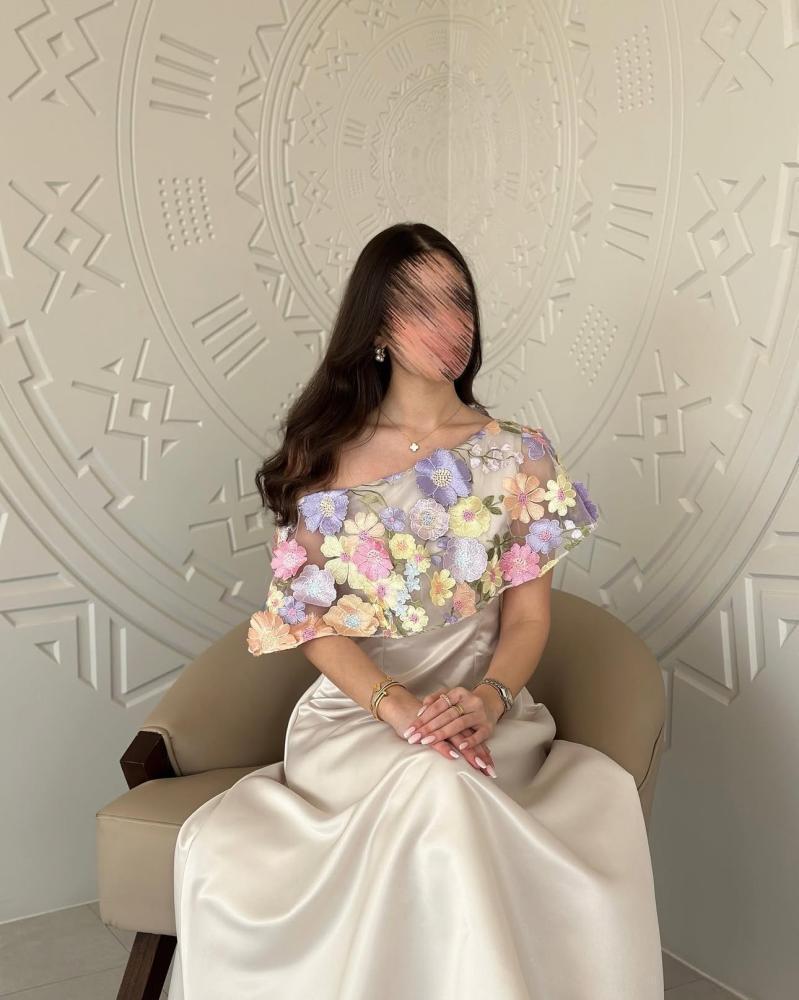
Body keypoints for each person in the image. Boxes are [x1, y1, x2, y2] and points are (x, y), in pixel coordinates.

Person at [167, 222, 663, 998]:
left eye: (458, 301)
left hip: (486, 712)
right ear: (375, 328)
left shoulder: (519, 454)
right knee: (435, 784)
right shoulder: (323, 454)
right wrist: (396, 707)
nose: (450, 325)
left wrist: (488, 700)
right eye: (419, 306)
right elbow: (311, 624)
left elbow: (528, 620)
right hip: (357, 719)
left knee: (449, 781)